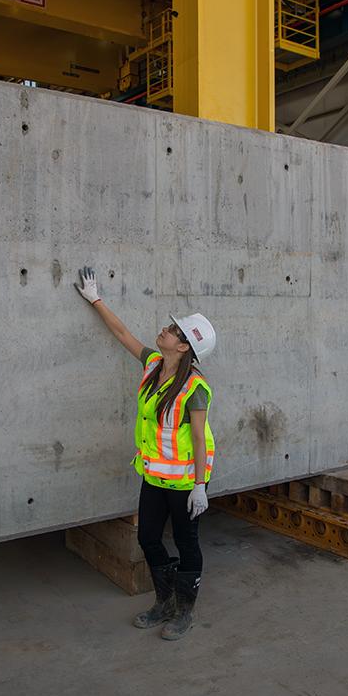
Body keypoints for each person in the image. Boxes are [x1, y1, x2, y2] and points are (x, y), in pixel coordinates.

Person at [74, 266, 216, 640]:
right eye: (169, 327)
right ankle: (164, 602)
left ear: (183, 347)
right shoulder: (153, 364)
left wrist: (199, 486)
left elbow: (199, 439)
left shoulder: (195, 388)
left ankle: (184, 613)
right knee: (148, 538)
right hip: (154, 476)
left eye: (173, 331)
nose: (165, 330)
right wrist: (95, 299)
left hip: (186, 482)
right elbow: (123, 334)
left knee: (187, 543)